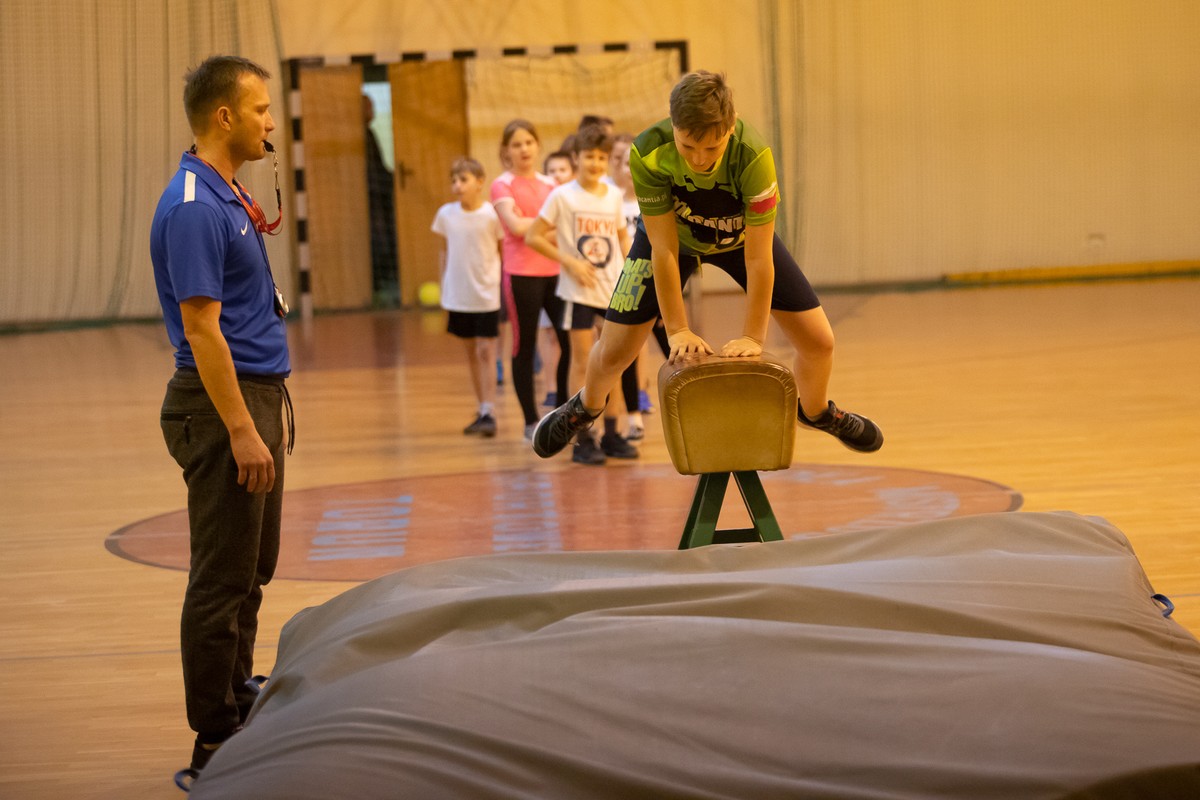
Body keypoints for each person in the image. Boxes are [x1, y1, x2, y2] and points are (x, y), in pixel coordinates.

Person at [533, 71, 883, 458]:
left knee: (820, 341)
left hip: (740, 240)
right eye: (687, 146)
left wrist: (753, 337)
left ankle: (816, 412)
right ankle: (584, 408)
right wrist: (678, 330)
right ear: (673, 125)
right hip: (673, 240)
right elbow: (664, 250)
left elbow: (759, 258)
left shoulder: (754, 157)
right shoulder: (648, 152)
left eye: (712, 148)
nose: (699, 159)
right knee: (614, 351)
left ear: (731, 127)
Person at [149, 55, 293, 784]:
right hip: (220, 407)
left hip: (254, 396)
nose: (271, 121)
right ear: (225, 116)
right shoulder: (193, 206)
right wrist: (241, 428)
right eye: (261, 108)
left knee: (251, 569)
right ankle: (213, 743)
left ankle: (236, 697)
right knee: (220, 577)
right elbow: (202, 331)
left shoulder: (226, 191)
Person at [525, 125, 636, 465]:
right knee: (583, 361)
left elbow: (623, 239)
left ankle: (613, 433)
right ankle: (583, 437)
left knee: (613, 362)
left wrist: (633, 278)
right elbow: (533, 236)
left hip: (613, 290)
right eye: (589, 156)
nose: (596, 163)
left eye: (602, 157)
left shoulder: (613, 195)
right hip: (579, 292)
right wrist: (571, 262)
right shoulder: (562, 196)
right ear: (575, 158)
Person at [491, 119, 571, 438]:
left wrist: (535, 228)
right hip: (521, 275)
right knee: (524, 346)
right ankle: (530, 421)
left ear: (537, 146)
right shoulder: (502, 185)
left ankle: (565, 413)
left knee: (568, 342)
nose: (524, 149)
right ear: (506, 150)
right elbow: (515, 227)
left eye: (528, 142)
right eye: (516, 144)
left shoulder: (552, 185)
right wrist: (545, 226)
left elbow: (561, 226)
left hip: (556, 273)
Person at [431, 157, 506, 436]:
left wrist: (500, 285)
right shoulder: (446, 214)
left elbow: (501, 252)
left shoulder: (491, 215)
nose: (457, 186)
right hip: (458, 295)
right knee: (471, 351)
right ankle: (481, 406)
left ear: (479, 182)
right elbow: (444, 251)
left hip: (486, 294)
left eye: (463, 180)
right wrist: (444, 287)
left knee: (486, 350)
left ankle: (489, 410)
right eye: (454, 181)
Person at [363, 94, 398, 306]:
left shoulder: (369, 133)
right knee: (376, 235)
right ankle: (377, 279)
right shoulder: (360, 136)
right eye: (369, 107)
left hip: (379, 193)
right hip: (372, 196)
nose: (373, 111)